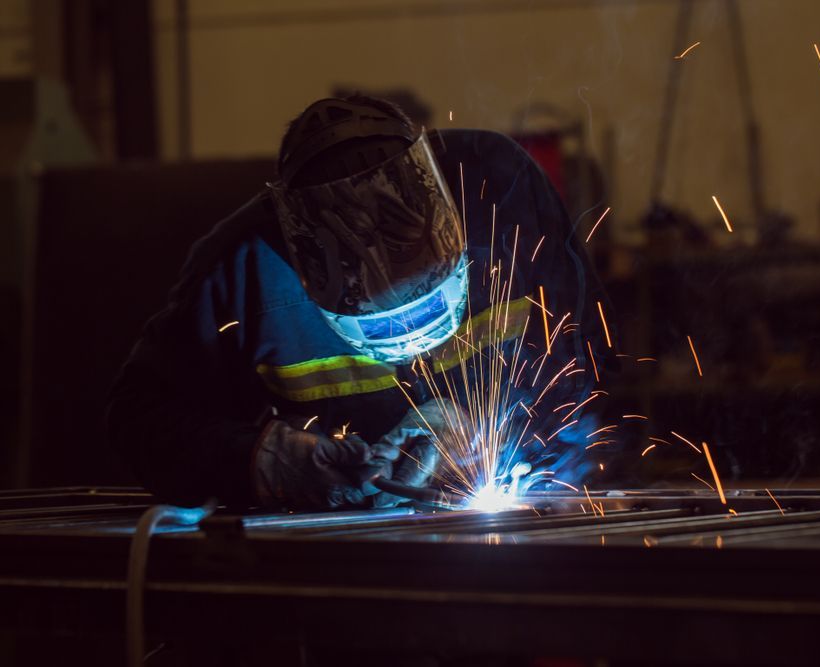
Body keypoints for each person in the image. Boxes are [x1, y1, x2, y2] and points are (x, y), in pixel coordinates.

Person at [107, 95, 614, 510]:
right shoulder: (240, 268)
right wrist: (262, 460)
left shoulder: (501, 192)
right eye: (383, 326)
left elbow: (592, 359)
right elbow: (140, 421)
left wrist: (493, 429)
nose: (413, 342)